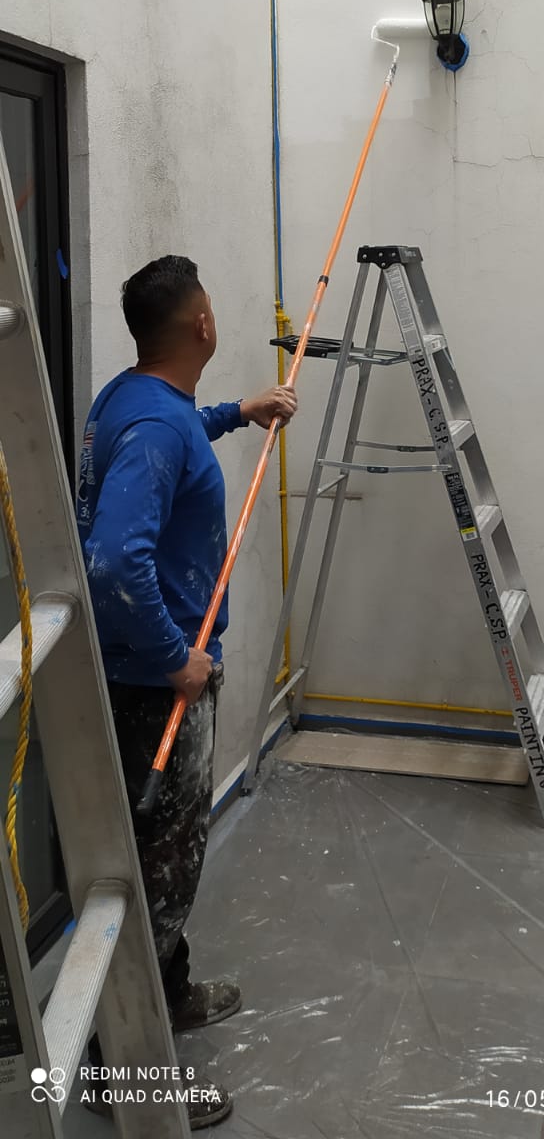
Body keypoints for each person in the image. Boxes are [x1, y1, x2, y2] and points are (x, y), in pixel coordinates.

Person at [76, 255, 297, 1127]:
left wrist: (237, 412)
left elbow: (170, 434)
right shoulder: (155, 430)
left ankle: (167, 992)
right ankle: (117, 1065)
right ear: (201, 325)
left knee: (159, 860)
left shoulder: (133, 398)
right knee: (159, 872)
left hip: (140, 674)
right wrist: (177, 661)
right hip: (153, 688)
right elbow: (112, 560)